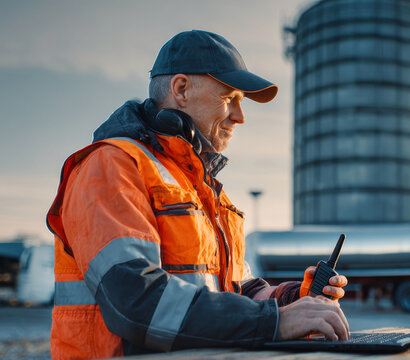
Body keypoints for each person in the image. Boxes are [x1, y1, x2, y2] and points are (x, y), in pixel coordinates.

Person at [46, 30, 349, 359]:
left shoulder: (201, 188)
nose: (240, 116)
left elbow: (235, 291)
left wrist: (294, 300)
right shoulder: (111, 166)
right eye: (229, 97)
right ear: (181, 90)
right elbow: (136, 303)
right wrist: (274, 321)